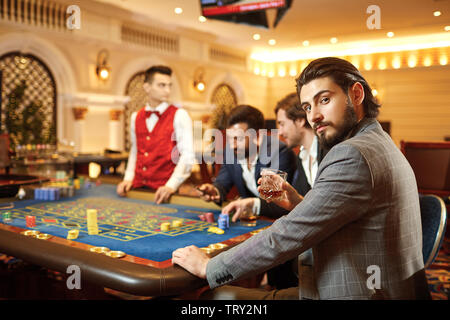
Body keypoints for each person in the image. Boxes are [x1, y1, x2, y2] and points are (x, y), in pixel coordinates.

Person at [172, 57, 430, 300]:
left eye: (324, 100)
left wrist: (210, 267)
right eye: (308, 106)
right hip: (379, 286)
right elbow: (344, 215)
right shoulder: (379, 142)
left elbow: (288, 234)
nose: (313, 116)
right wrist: (300, 203)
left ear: (356, 94)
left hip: (354, 291)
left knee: (214, 296)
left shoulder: (352, 153)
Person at [220, 93, 327, 289]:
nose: (279, 131)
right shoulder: (302, 157)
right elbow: (300, 204)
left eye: (281, 124)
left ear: (300, 120)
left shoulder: (327, 150)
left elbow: (321, 208)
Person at [117, 65, 194, 204]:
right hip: (137, 187)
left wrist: (171, 186)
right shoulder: (136, 116)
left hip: (164, 191)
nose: (167, 90)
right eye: (162, 85)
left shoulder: (180, 115)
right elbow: (136, 151)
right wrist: (128, 178)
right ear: (147, 87)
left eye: (169, 85)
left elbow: (187, 156)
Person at [197, 104, 297, 207]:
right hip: (252, 219)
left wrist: (250, 205)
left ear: (257, 136)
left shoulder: (280, 152)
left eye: (238, 139)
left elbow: (276, 200)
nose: (232, 146)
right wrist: (214, 190)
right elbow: (222, 182)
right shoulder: (231, 151)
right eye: (230, 138)